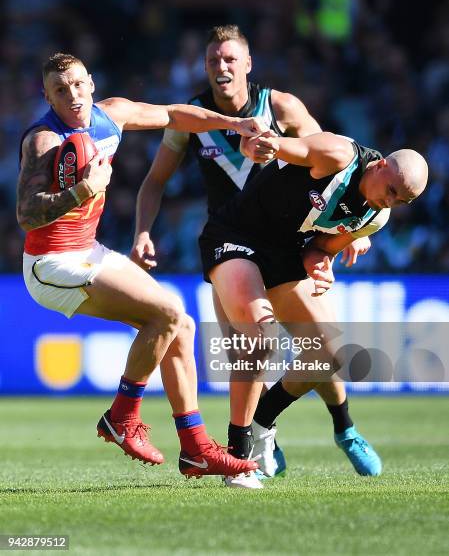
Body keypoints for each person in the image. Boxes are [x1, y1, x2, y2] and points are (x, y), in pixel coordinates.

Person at [132, 25, 378, 489]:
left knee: (323, 351)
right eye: (212, 61)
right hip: (231, 241)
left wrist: (352, 228)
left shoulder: (281, 106)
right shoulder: (194, 117)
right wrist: (142, 231)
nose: (220, 68)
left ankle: (343, 427)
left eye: (229, 59)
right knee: (248, 353)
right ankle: (257, 442)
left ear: (248, 65)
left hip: (288, 241)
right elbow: (154, 181)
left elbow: (332, 163)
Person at [16, 52, 266, 479]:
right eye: (60, 89)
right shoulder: (44, 140)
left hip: (87, 250)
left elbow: (172, 114)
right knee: (166, 315)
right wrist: (83, 190)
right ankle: (121, 418)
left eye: (77, 84)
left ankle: (195, 448)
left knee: (181, 325)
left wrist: (233, 124)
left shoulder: (112, 115)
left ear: (91, 83)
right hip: (50, 263)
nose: (72, 95)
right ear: (48, 96)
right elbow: (26, 213)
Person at [200, 131, 428, 481]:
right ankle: (240, 456)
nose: (391, 201)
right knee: (259, 343)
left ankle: (268, 423)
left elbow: (318, 247)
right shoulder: (338, 155)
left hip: (283, 252)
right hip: (236, 235)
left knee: (330, 354)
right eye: (392, 190)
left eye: (402, 201)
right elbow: (284, 146)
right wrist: (260, 143)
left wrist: (320, 262)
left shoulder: (375, 218)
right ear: (380, 165)